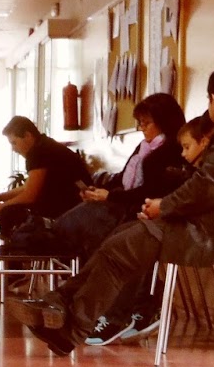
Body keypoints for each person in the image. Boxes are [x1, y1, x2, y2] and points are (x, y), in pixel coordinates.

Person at [9, 66, 214, 355]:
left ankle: (70, 327)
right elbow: (209, 186)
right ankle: (59, 304)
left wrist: (164, 206)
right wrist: (164, 208)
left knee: (124, 247)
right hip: (208, 225)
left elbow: (210, 187)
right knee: (120, 238)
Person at [86, 112, 214, 346]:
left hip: (198, 234)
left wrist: (160, 212)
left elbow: (195, 208)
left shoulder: (208, 176)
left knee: (136, 240)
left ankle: (121, 315)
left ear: (204, 143)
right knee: (127, 233)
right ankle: (135, 309)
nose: (183, 154)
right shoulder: (193, 172)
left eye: (187, 147)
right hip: (181, 227)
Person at [53, 92, 190, 262]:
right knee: (80, 218)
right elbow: (122, 178)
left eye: (146, 123)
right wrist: (99, 191)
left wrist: (110, 196)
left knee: (85, 222)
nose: (141, 128)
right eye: (140, 123)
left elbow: (149, 192)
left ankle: (84, 266)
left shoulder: (173, 152)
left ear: (164, 122)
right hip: (125, 204)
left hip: (139, 211)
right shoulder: (144, 147)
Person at [0, 115, 89, 226]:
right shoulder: (44, 144)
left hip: (75, 213)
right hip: (79, 209)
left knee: (12, 215)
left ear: (27, 135)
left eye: (14, 143)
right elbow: (28, 187)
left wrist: (1, 207)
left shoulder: (38, 152)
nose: (13, 149)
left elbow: (30, 195)